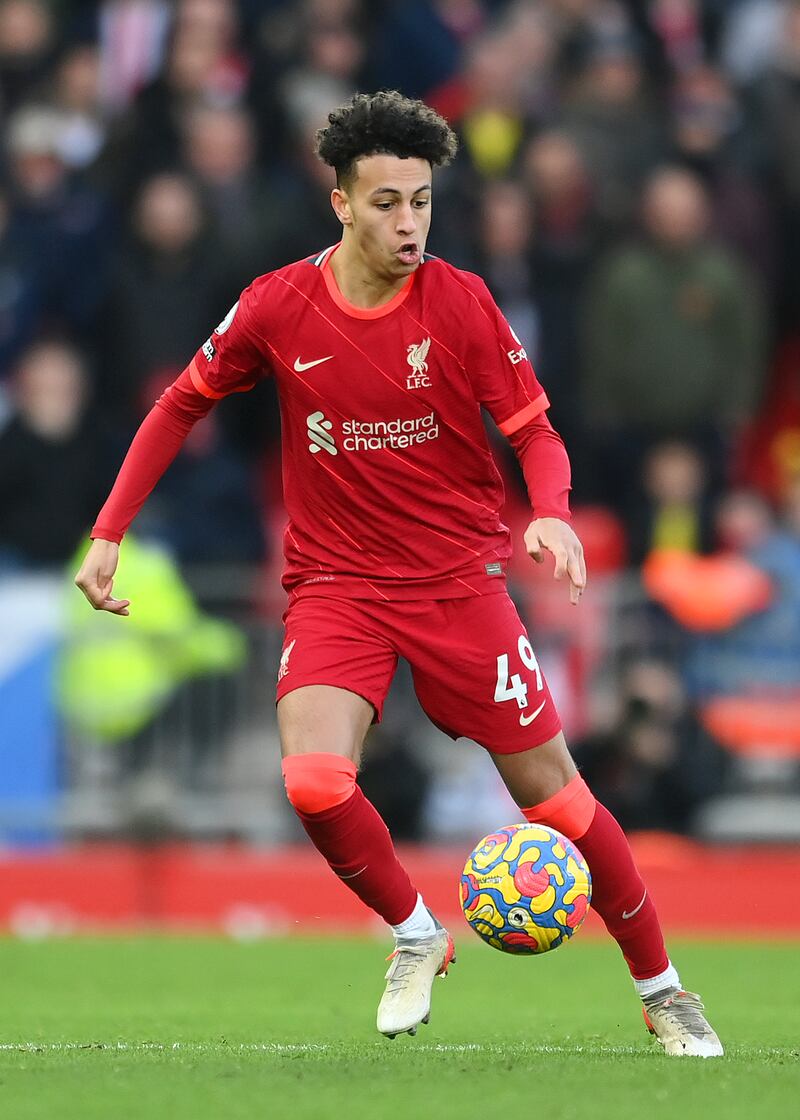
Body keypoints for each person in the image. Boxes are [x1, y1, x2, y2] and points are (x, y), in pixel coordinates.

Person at [75, 90, 722, 1057]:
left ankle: (664, 990)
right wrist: (109, 530)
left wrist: (549, 513)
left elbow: (533, 429)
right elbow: (179, 404)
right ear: (340, 203)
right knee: (314, 780)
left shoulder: (458, 301)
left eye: (420, 200)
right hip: (338, 586)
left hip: (461, 587)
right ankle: (416, 931)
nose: (409, 222)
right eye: (386, 202)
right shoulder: (276, 305)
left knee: (561, 803)